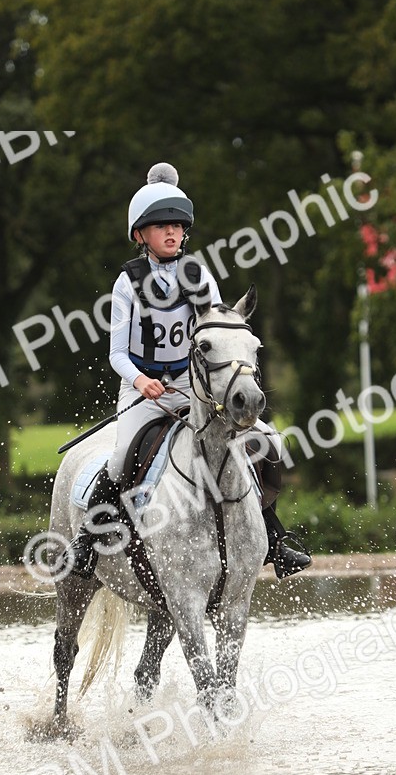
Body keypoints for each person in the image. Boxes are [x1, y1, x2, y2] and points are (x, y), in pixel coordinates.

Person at [62, 162, 312, 581]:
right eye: (161, 226)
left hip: (193, 387)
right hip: (142, 389)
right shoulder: (127, 283)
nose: (172, 233)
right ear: (141, 234)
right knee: (122, 457)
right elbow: (116, 354)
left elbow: (216, 328)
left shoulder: (200, 276)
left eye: (178, 226)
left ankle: (275, 537)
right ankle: (88, 542)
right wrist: (142, 382)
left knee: (265, 442)